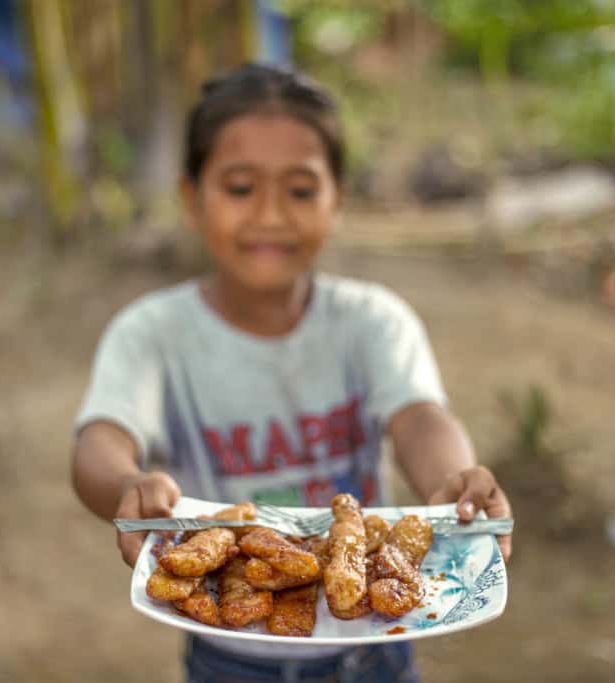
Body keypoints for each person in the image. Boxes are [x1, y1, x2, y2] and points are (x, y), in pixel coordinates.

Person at [71, 63, 513, 683]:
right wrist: (127, 482)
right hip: (229, 648)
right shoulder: (152, 334)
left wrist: (454, 483)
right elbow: (99, 439)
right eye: (241, 187)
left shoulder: (372, 321)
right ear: (192, 198)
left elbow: (419, 419)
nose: (272, 214)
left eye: (301, 190)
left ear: (338, 199)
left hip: (371, 642)